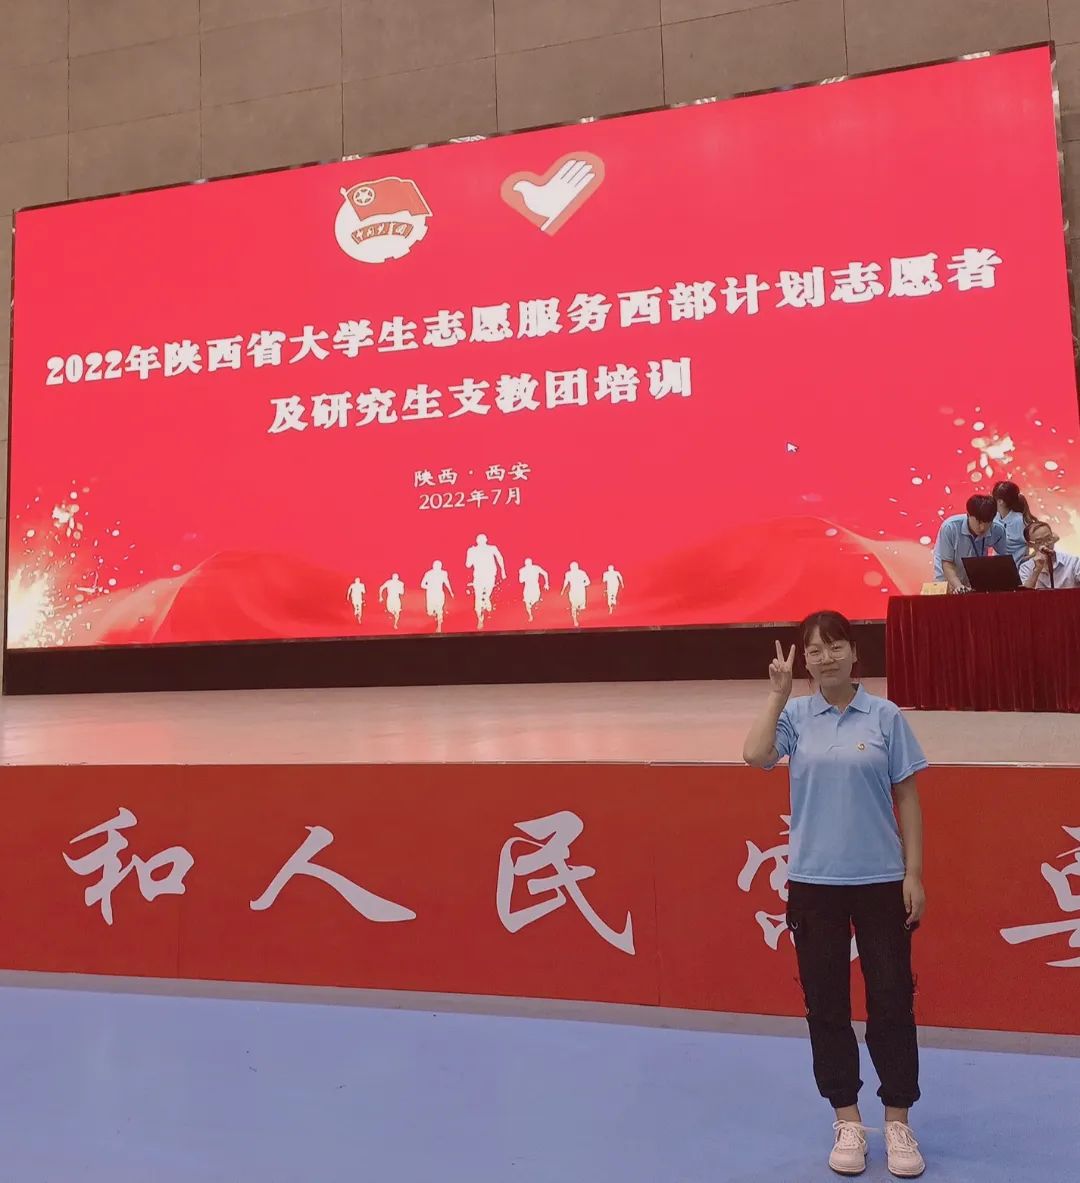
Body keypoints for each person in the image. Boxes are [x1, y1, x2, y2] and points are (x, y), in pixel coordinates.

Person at [743, 610, 928, 1179]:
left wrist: (914, 873)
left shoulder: (886, 716)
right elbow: (755, 755)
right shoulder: (796, 716)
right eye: (814, 650)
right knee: (826, 1005)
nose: (825, 658)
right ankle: (847, 1118)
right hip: (815, 884)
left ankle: (897, 1121)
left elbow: (907, 797)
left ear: (854, 652)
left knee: (891, 1000)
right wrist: (776, 696)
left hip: (879, 881)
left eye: (835, 646)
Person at [932, 493, 1006, 592]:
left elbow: (1003, 559)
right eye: (979, 522)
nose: (982, 528)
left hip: (974, 582)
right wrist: (958, 586)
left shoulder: (998, 530)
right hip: (947, 578)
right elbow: (947, 563)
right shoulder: (950, 527)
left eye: (987, 523)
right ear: (968, 515)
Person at [1019, 521, 1080, 589]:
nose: (1046, 544)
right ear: (1030, 544)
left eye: (1049, 539)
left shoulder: (1072, 562)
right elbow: (1025, 593)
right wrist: (1037, 570)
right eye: (1039, 542)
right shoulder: (1026, 568)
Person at [465, 533, 506, 629]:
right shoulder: (472, 550)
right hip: (479, 577)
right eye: (479, 539)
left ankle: (487, 602)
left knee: (485, 595)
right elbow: (468, 564)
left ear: (486, 540)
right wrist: (471, 554)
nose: (481, 541)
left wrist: (503, 571)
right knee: (479, 597)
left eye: (482, 539)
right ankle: (480, 619)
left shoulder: (492, 548)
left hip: (490, 576)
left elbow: (500, 558)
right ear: (477, 541)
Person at [992, 480, 1034, 567]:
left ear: (1000, 501)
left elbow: (1040, 541)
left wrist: (1028, 560)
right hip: (997, 567)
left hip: (1017, 570)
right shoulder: (994, 517)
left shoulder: (1020, 521)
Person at [420, 561, 453, 633]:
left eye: (439, 566)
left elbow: (447, 582)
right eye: (436, 566)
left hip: (439, 594)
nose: (438, 567)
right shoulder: (428, 574)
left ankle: (439, 628)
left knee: (439, 610)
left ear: (441, 566)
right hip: (431, 595)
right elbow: (422, 584)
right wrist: (429, 587)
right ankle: (436, 615)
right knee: (430, 612)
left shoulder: (443, 573)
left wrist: (451, 592)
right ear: (433, 566)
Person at [518, 558, 549, 622]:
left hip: (535, 587)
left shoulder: (536, 568)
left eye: (529, 563)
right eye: (527, 563)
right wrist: (526, 576)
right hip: (527, 588)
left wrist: (546, 584)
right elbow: (520, 580)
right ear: (525, 564)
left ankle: (533, 603)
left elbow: (545, 573)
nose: (528, 565)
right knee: (527, 603)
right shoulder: (522, 570)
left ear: (531, 563)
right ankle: (530, 616)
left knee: (535, 599)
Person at [561, 562, 590, 627]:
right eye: (572, 567)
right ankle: (575, 620)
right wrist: (563, 590)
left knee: (580, 606)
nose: (573, 568)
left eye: (574, 567)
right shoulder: (568, 574)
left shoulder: (582, 573)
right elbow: (566, 582)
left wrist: (582, 585)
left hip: (581, 592)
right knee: (573, 605)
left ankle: (578, 609)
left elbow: (588, 582)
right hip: (573, 592)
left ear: (577, 567)